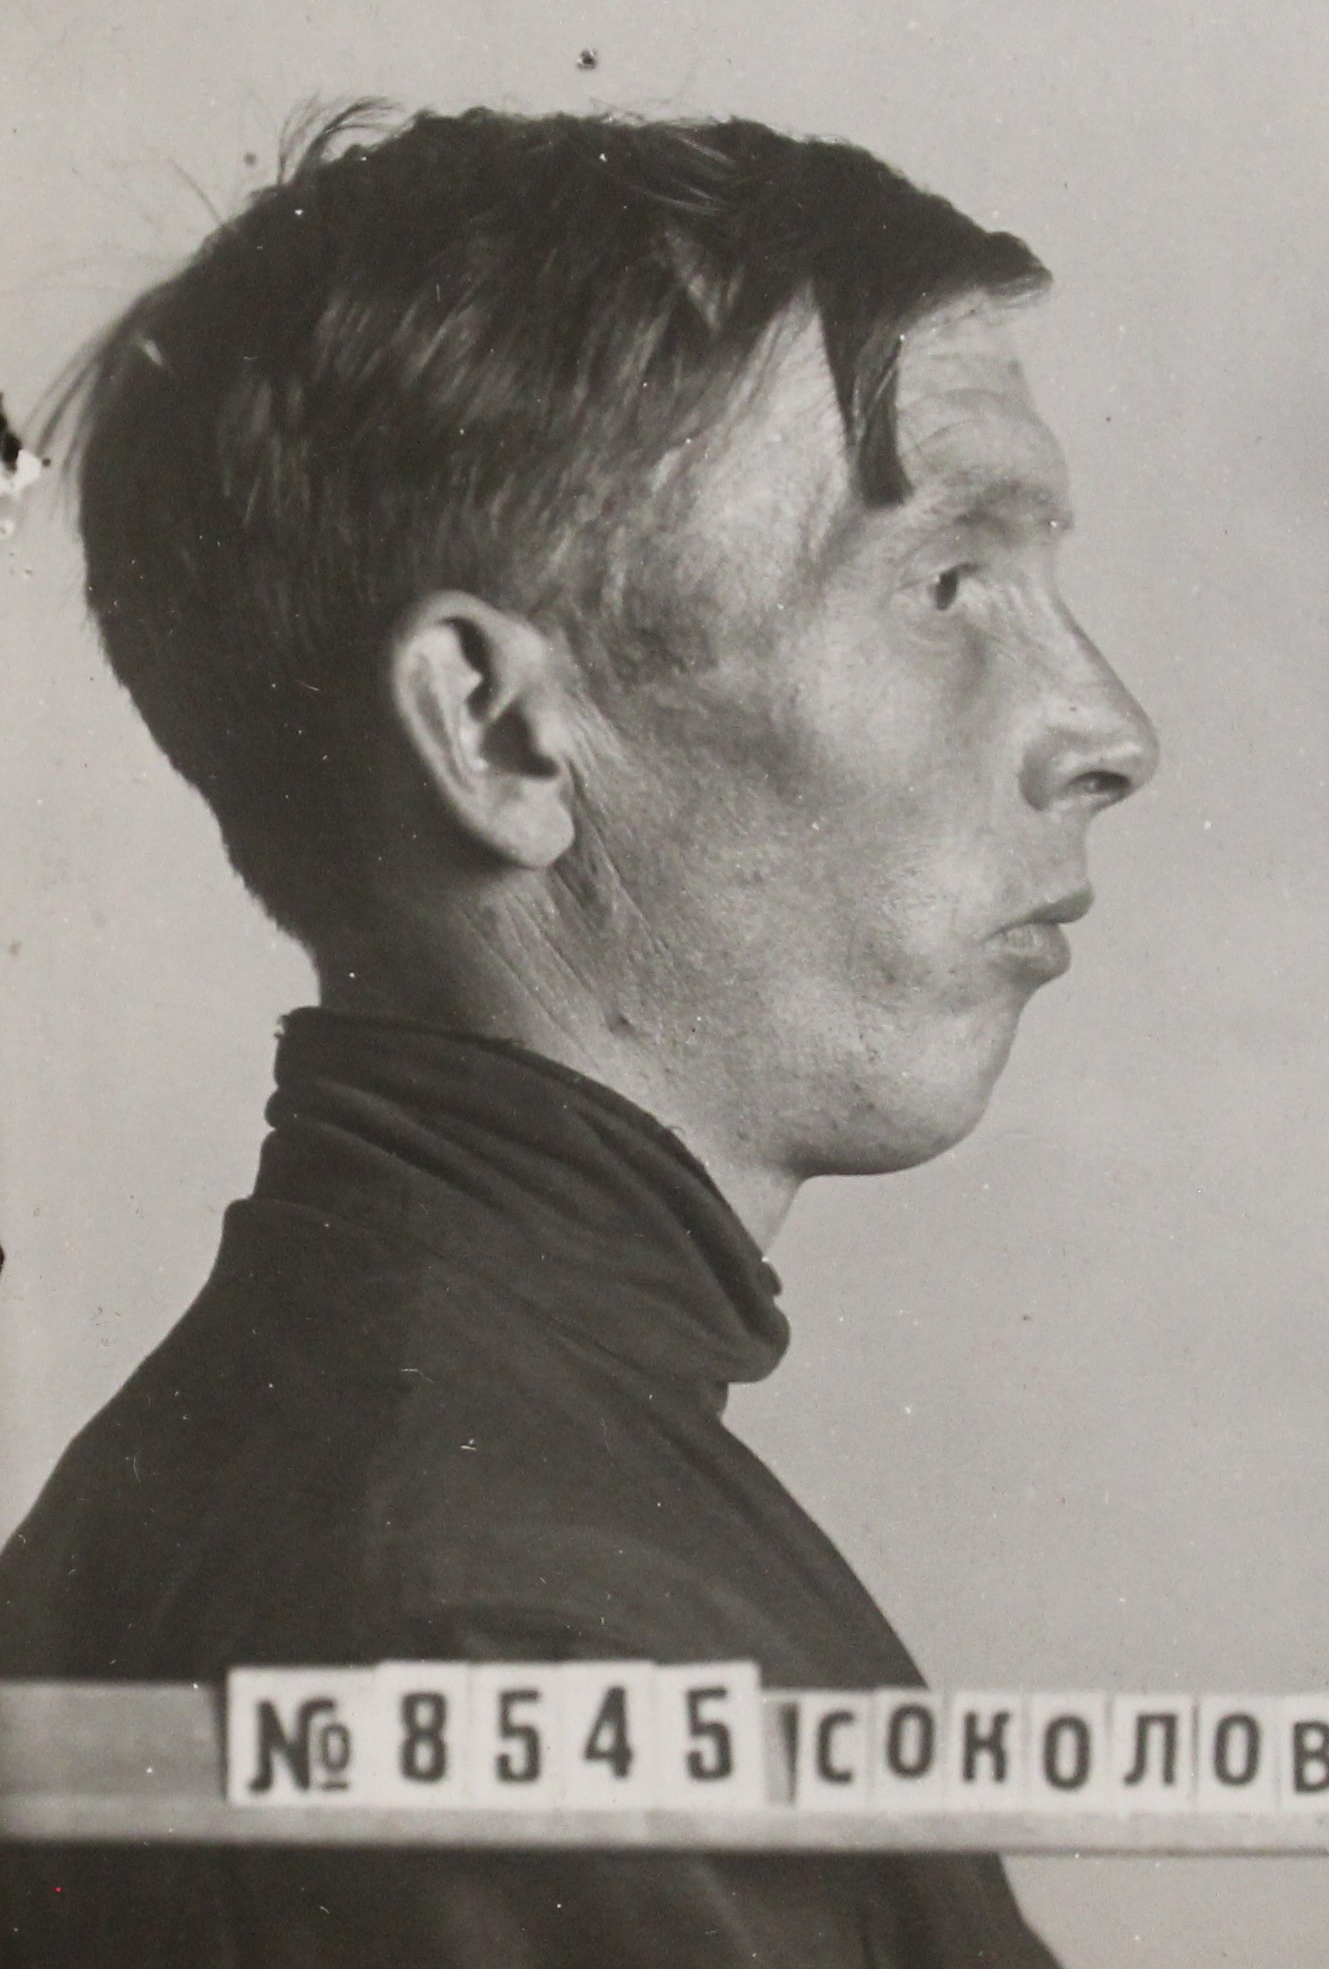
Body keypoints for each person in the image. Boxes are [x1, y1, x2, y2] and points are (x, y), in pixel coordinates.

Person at [0, 105, 1157, 1967]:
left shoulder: (425, 1502)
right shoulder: (499, 1641)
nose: (1105, 729)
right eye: (945, 583)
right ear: (499, 730)